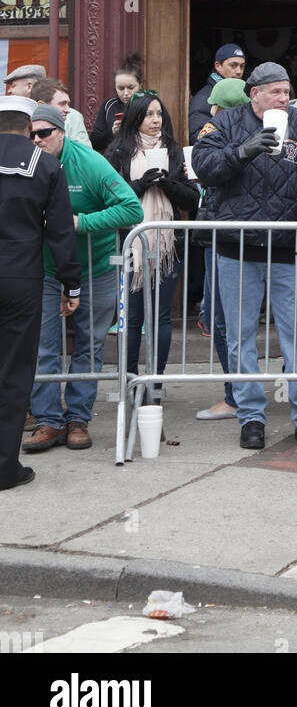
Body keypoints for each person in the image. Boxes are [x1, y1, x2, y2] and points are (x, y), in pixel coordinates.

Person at [192, 62, 297, 451]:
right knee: (240, 339)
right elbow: (203, 166)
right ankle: (251, 416)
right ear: (255, 94)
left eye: (288, 92)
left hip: (286, 247)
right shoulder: (225, 124)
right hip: (236, 249)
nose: (285, 99)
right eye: (277, 92)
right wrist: (243, 151)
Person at [22, 103, 142, 453]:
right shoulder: (26, 163)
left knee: (88, 345)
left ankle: (78, 419)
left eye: (44, 133)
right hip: (44, 270)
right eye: (31, 134)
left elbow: (131, 207)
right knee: (43, 346)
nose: (37, 140)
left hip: (95, 267)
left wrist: (79, 223)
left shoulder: (88, 162)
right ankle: (48, 421)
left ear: (61, 131)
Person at [0, 96, 80, 491]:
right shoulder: (46, 165)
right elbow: (61, 234)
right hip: (20, 278)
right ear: (28, 125)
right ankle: (4, 466)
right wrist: (72, 284)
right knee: (14, 373)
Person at [106, 92, 199, 392]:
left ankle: (155, 384)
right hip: (131, 244)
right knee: (133, 318)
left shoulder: (173, 150)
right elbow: (109, 198)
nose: (155, 120)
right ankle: (131, 381)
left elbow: (192, 199)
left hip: (167, 245)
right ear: (136, 118)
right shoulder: (119, 151)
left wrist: (167, 184)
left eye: (159, 114)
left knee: (160, 317)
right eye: (148, 114)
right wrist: (140, 185)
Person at [194, 76, 250, 421]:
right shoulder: (248, 139)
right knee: (227, 319)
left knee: (222, 319)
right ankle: (239, 392)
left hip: (225, 241)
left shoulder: (221, 139)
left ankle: (235, 395)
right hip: (230, 240)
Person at [90, 53, 174, 153]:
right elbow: (94, 142)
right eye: (120, 88)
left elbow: (168, 138)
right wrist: (112, 132)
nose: (126, 93)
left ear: (140, 85)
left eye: (130, 87)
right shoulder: (109, 106)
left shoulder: (153, 104)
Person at [188, 43, 246, 141]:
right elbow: (199, 139)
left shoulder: (244, 96)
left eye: (242, 66)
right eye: (233, 65)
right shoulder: (204, 98)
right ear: (218, 66)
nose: (239, 71)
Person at [31, 77, 91, 149]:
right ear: (41, 105)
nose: (68, 110)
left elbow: (83, 153)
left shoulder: (74, 117)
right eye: (62, 104)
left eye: (68, 104)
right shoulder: (23, 124)